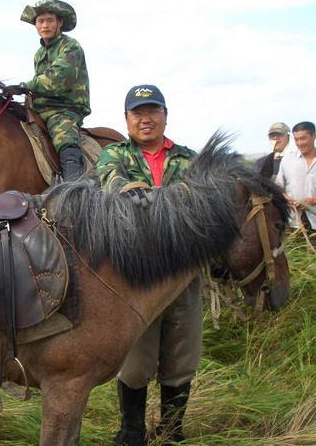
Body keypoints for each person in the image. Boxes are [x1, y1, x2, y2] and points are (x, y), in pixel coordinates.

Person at [96, 84, 199, 445]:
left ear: (165, 115)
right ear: (126, 119)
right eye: (138, 112)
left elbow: (204, 201)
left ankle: (172, 432)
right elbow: (114, 186)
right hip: (135, 278)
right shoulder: (113, 155)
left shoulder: (189, 158)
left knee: (181, 357)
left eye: (153, 111)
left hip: (183, 274)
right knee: (136, 362)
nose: (146, 119)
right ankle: (132, 431)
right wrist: (164, 198)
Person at [18, 0, 91, 181]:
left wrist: (25, 86)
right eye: (40, 21)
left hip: (65, 109)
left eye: (50, 20)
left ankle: (73, 190)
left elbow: (58, 77)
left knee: (64, 139)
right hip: (41, 109)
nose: (45, 25)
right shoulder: (39, 54)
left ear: (60, 23)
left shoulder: (71, 46)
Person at [275, 121, 316, 233]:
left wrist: (312, 201)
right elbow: (278, 188)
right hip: (290, 222)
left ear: (314, 136)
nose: (300, 143)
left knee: (314, 249)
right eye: (296, 139)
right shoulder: (287, 160)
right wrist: (286, 199)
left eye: (303, 138)